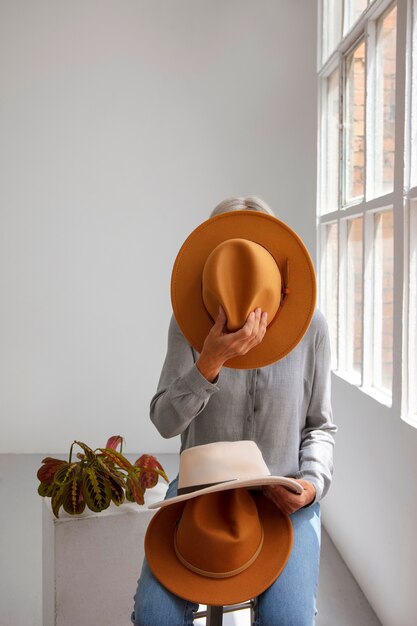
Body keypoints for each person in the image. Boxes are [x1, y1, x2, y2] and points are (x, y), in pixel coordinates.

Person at [131, 196, 337, 626]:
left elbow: (319, 426)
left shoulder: (312, 325)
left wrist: (312, 485)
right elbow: (165, 423)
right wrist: (208, 362)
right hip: (200, 490)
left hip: (285, 497)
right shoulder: (187, 322)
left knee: (289, 620)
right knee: (154, 617)